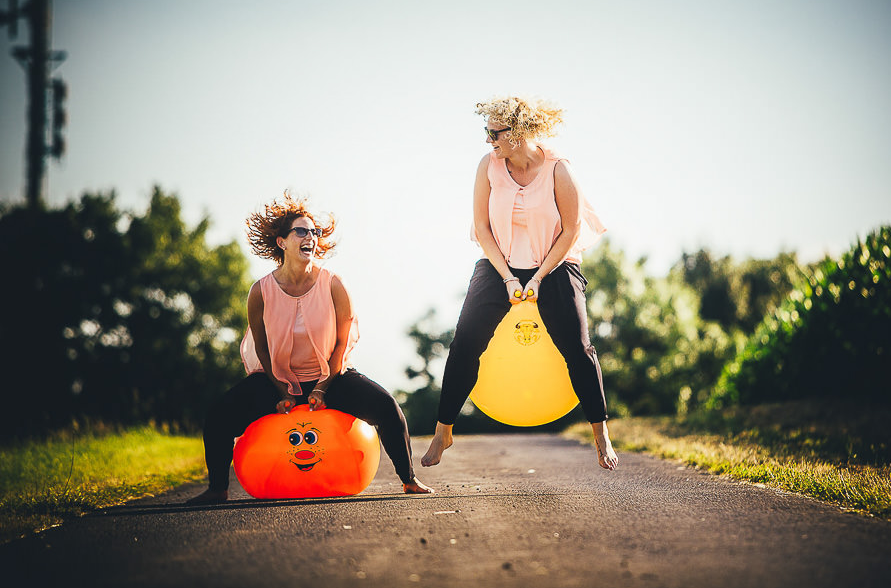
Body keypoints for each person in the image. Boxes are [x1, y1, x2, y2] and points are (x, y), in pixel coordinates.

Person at [188, 193, 433, 504]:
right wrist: (280, 391)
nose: (311, 238)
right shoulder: (260, 292)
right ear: (282, 242)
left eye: (314, 232)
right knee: (219, 416)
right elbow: (261, 348)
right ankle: (217, 489)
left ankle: (409, 480)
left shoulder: (333, 284)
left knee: (387, 407)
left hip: (331, 375)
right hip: (276, 380)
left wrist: (323, 386)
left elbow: (343, 343)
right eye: (301, 231)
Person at [421, 95, 619, 471]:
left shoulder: (560, 170)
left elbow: (572, 229)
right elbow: (481, 227)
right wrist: (509, 277)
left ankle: (600, 433)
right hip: (500, 263)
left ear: (521, 131)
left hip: (556, 263)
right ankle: (443, 430)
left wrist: (541, 276)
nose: (488, 139)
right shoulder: (489, 166)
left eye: (494, 132)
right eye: (486, 130)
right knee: (464, 342)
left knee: (579, 347)